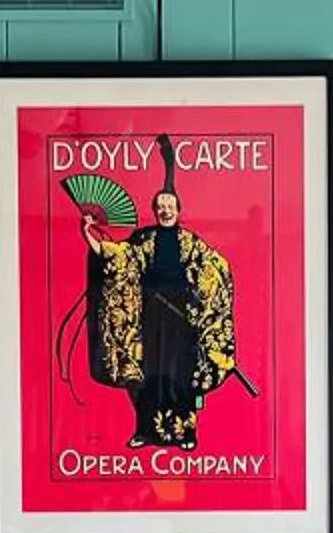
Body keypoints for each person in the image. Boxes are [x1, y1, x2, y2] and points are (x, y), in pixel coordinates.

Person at [78, 139, 238, 451]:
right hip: (150, 317)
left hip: (180, 319)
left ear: (178, 210)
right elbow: (116, 257)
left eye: (170, 206)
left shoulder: (191, 243)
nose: (165, 210)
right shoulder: (144, 240)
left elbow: (216, 268)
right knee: (148, 375)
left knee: (182, 376)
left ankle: (186, 434)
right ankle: (145, 432)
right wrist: (88, 234)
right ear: (155, 210)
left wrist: (201, 306)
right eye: (160, 206)